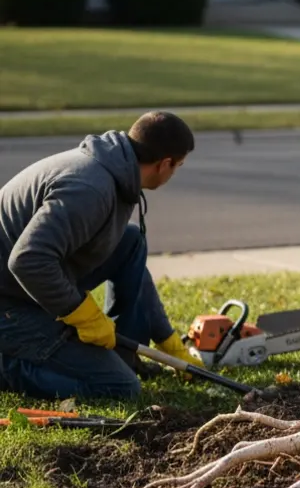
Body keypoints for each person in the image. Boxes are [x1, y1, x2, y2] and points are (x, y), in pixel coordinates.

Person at [0, 111, 199, 401]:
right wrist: (84, 315)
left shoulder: (116, 172)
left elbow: (132, 268)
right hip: (10, 303)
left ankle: (126, 358)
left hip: (26, 287)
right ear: (165, 163)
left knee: (130, 241)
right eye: (177, 166)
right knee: (120, 388)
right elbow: (28, 260)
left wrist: (168, 341)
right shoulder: (89, 189)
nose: (173, 173)